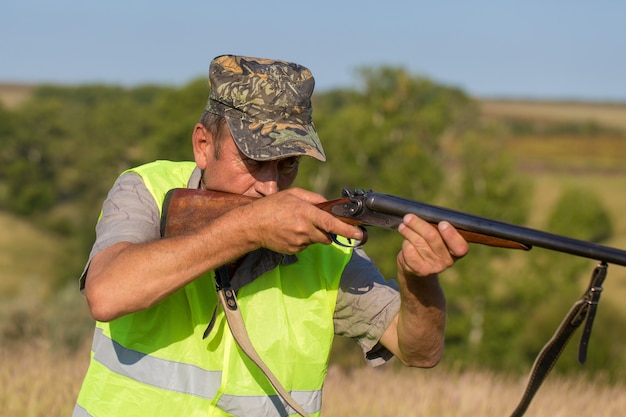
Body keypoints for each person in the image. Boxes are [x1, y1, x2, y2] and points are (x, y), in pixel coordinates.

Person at [72, 54, 469, 417]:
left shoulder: (323, 242)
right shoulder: (147, 188)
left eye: (287, 165)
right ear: (203, 145)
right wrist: (250, 229)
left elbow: (420, 350)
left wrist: (418, 280)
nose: (271, 187)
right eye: (255, 161)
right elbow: (107, 294)